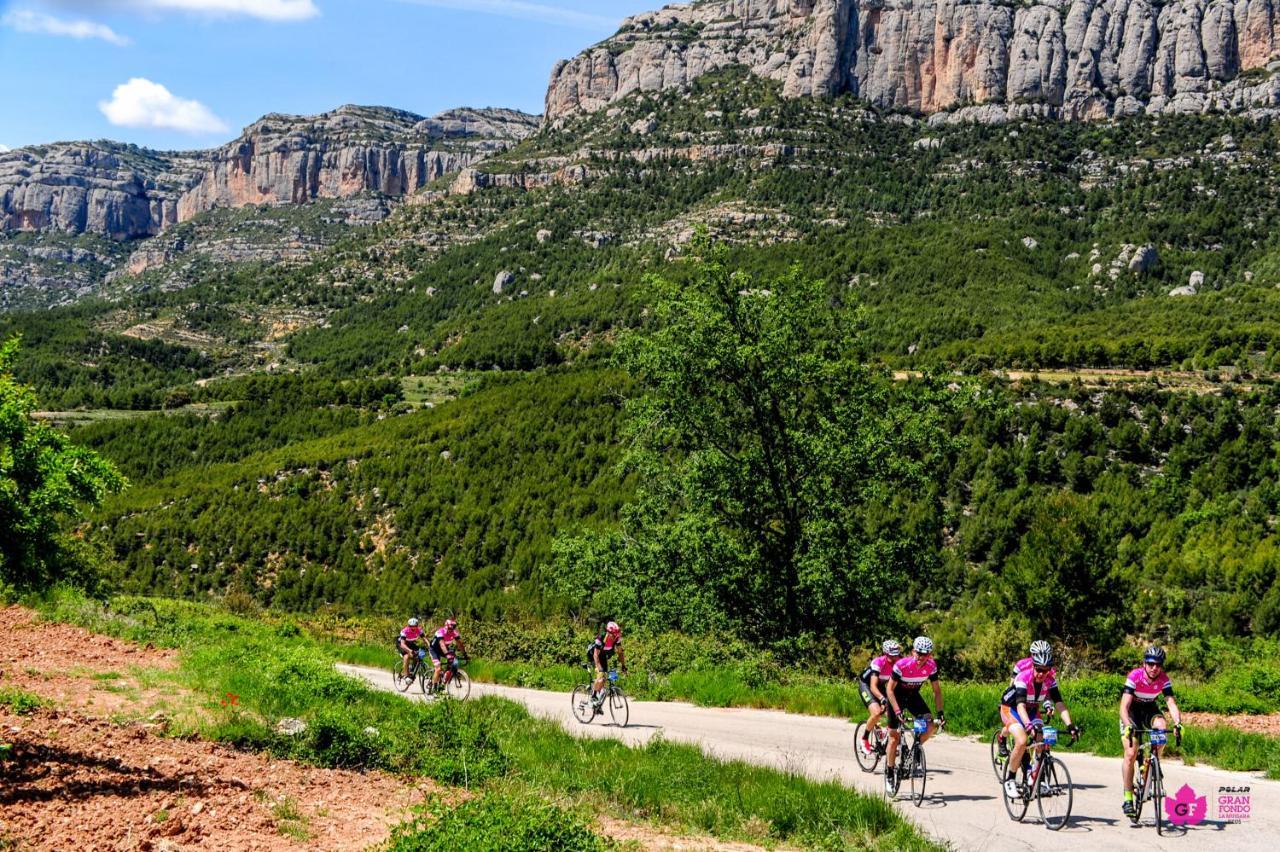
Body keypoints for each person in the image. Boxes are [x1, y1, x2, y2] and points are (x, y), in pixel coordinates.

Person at [999, 642, 1080, 799]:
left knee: (1042, 741)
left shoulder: (1050, 681)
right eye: (1039, 669)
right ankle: (1010, 779)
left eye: (1046, 670)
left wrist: (1070, 725)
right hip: (1012, 709)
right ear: (1033, 666)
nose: (1042, 673)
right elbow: (1020, 706)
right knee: (1022, 740)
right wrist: (1028, 726)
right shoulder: (1023, 677)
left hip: (1032, 709)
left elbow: (1060, 704)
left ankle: (1034, 775)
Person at [1120, 645, 1182, 818]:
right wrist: (1127, 725)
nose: (1154, 668)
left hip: (1149, 709)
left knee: (1162, 727)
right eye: (1150, 664)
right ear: (1144, 663)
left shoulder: (1163, 679)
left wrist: (1178, 723)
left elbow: (1170, 702)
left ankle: (1152, 761)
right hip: (1131, 713)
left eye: (1158, 664)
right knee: (1131, 753)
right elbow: (1123, 706)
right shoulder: (1135, 676)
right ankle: (1127, 798)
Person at [884, 636, 945, 794]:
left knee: (930, 725)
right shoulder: (901, 665)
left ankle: (914, 750)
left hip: (912, 697)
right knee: (894, 737)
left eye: (925, 654)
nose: (921, 657)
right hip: (895, 697)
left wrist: (940, 713)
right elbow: (889, 689)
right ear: (913, 651)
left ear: (930, 655)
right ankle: (890, 773)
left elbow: (936, 691)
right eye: (918, 653)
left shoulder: (931, 666)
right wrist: (897, 711)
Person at [997, 639, 1054, 757]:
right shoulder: (1022, 664)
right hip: (1018, 698)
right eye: (1036, 654)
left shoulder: (1049, 669)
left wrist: (1047, 704)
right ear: (1032, 654)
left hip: (1033, 701)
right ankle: (1002, 738)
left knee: (1038, 732)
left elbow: (1046, 688)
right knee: (1015, 726)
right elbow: (1012, 684)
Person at [857, 639, 902, 756]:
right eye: (891, 656)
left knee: (892, 714)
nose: (895, 658)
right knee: (876, 712)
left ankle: (885, 735)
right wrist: (882, 699)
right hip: (867, 685)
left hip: (881, 685)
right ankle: (864, 738)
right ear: (885, 654)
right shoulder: (878, 662)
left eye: (896, 655)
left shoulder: (900, 661)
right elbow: (873, 686)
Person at [586, 621, 627, 713]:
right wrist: (599, 669)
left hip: (603, 657)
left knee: (609, 678)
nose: (615, 637)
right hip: (593, 655)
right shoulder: (601, 638)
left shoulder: (617, 639)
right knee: (601, 677)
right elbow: (596, 655)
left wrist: (623, 666)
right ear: (608, 633)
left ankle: (598, 704)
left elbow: (620, 653)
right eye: (614, 635)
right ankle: (593, 696)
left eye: (617, 635)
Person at [428, 618, 468, 691]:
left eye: (452, 629)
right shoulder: (440, 632)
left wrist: (465, 654)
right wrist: (447, 654)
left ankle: (444, 680)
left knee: (454, 662)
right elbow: (442, 644)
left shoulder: (454, 633)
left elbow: (460, 644)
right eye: (449, 628)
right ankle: (434, 687)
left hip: (443, 649)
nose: (451, 630)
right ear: (446, 626)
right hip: (434, 650)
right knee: (438, 668)